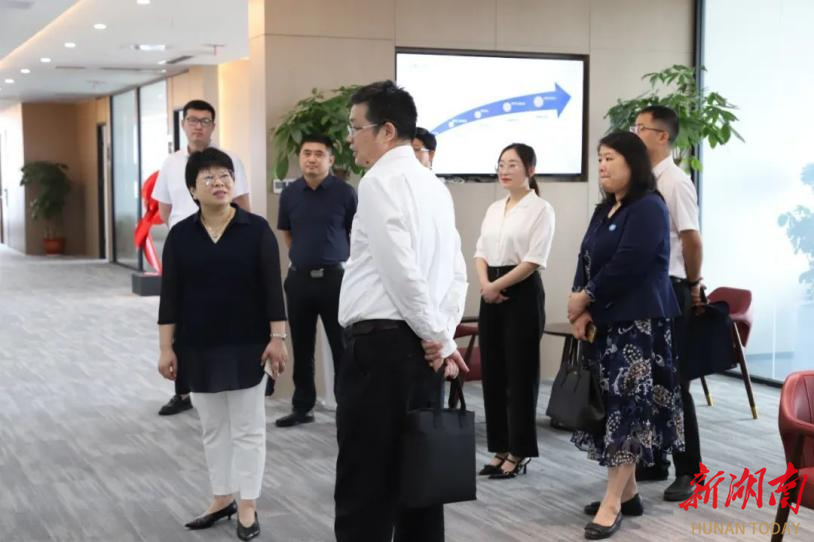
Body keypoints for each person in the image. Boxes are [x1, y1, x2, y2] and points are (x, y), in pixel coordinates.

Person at [334, 80, 468, 542]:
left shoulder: (379, 182)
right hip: (422, 351)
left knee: (365, 480)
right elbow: (456, 273)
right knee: (419, 479)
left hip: (381, 348)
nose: (350, 138)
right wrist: (442, 337)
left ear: (387, 130)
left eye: (356, 127)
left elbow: (400, 271)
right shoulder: (435, 186)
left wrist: (437, 337)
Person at [157, 147, 287, 541]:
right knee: (213, 427)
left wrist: (278, 338)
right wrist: (166, 347)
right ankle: (221, 497)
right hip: (197, 344)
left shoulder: (256, 229)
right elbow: (170, 296)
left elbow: (272, 289)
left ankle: (247, 503)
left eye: (225, 175)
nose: (219, 183)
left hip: (248, 343)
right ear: (192, 190)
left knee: (248, 428)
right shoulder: (181, 235)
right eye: (209, 177)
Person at [567, 132, 684, 540]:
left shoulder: (649, 206)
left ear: (633, 163)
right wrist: (579, 304)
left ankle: (613, 501)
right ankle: (629, 493)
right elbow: (586, 257)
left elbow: (628, 264)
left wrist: (586, 297)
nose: (602, 165)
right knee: (611, 407)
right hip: (605, 324)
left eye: (610, 158)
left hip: (638, 326)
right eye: (600, 158)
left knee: (629, 411)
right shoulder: (606, 208)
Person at [153, 99, 252, 416]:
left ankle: (225, 381)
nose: (198, 126)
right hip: (186, 250)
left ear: (213, 125)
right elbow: (164, 209)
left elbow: (243, 204)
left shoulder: (230, 160)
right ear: (183, 124)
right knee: (181, 315)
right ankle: (183, 388)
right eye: (193, 120)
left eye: (205, 121)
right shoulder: (171, 163)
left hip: (224, 248)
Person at [632, 105, 704, 501]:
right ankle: (656, 459)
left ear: (663, 136)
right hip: (647, 292)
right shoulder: (644, 181)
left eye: (642, 128)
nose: (635, 133)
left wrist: (693, 286)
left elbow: (691, 239)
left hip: (672, 289)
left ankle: (689, 470)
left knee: (675, 383)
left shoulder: (675, 182)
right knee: (651, 380)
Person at [474, 143, 555, 479]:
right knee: (493, 373)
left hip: (521, 292)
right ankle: (500, 447)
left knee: (520, 375)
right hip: (490, 290)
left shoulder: (541, 209)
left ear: (530, 170)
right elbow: (480, 251)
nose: (504, 171)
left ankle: (519, 451)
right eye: (501, 164)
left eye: (512, 164)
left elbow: (534, 260)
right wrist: (486, 285)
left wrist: (497, 285)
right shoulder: (495, 208)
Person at [275, 134, 357, 428]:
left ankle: (348, 407)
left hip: (336, 279)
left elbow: (355, 234)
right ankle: (302, 406)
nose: (311, 158)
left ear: (331, 159)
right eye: (307, 153)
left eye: (319, 154)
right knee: (302, 345)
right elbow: (287, 233)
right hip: (299, 280)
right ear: (300, 157)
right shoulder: (290, 193)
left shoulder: (345, 193)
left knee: (342, 347)